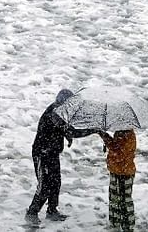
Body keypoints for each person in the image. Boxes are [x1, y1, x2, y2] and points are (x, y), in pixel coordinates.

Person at [25, 89, 97, 223]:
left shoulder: (59, 111)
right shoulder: (54, 114)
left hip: (52, 153)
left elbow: (62, 129)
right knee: (45, 185)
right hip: (42, 154)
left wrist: (67, 136)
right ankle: (32, 213)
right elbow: (71, 130)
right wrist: (94, 130)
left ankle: (52, 210)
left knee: (55, 182)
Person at [99, 129, 136, 232]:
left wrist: (105, 138)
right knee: (114, 198)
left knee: (124, 200)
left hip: (124, 173)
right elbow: (115, 148)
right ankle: (115, 221)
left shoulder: (128, 135)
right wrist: (105, 138)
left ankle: (127, 226)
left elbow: (118, 153)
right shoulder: (120, 132)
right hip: (116, 170)